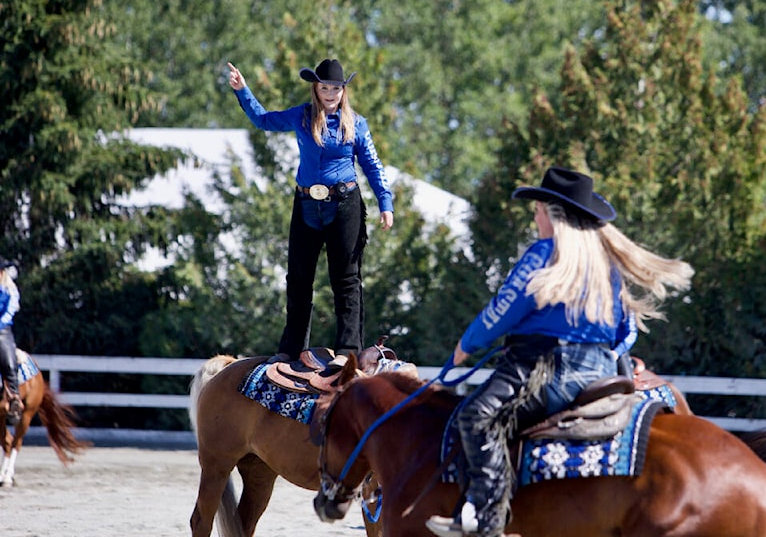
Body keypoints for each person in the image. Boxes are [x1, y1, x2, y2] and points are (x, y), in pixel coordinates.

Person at [425, 166, 694, 537]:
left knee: (474, 417)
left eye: (537, 210)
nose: (535, 218)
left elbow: (505, 308)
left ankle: (486, 518)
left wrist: (465, 346)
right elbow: (625, 332)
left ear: (554, 215)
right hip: (600, 371)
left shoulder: (542, 254)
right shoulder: (607, 265)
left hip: (544, 368)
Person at [226, 59, 394, 367]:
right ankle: (291, 349)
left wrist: (386, 203)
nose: (330, 94)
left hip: (344, 204)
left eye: (336, 89)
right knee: (299, 279)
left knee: (345, 279)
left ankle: (347, 350)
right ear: (316, 89)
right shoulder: (301, 116)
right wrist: (243, 90)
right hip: (306, 204)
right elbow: (263, 120)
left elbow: (372, 164)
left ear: (343, 92)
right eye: (324, 87)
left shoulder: (356, 123)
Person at [0, 256, 22, 425]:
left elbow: (10, 311)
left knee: (8, 358)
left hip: (2, 329)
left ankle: (14, 397)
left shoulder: (10, 289)